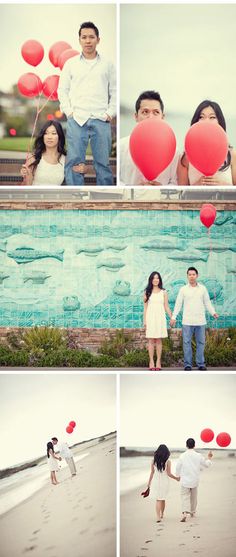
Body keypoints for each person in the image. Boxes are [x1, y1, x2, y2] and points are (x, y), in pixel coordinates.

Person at [58, 21, 116, 186]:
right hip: (77, 118)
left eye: (91, 37)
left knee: (103, 164)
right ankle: (75, 196)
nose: (88, 40)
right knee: (75, 162)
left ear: (98, 39)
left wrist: (109, 114)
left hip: (100, 118)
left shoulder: (108, 64)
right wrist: (69, 112)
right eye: (84, 37)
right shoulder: (71, 64)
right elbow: (62, 90)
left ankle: (105, 198)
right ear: (79, 40)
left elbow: (115, 91)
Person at [120, 90, 179, 185]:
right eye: (145, 112)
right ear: (136, 116)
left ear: (162, 117)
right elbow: (117, 181)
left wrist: (161, 189)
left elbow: (175, 181)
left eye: (156, 112)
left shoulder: (173, 150)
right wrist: (133, 188)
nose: (150, 117)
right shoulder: (121, 146)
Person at [170, 267, 219, 371]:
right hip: (187, 321)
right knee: (186, 342)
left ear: (197, 276)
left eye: (193, 274)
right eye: (189, 274)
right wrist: (173, 317)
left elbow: (207, 303)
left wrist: (213, 312)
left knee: (201, 342)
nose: (191, 276)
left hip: (200, 321)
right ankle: (188, 364)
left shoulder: (203, 289)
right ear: (187, 276)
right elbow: (178, 304)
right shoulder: (183, 289)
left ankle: (201, 363)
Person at [177, 100, 236, 185]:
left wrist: (222, 186)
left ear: (220, 122)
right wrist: (197, 186)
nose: (206, 121)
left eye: (212, 117)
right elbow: (181, 194)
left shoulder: (231, 154)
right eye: (201, 117)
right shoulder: (185, 158)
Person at [176, 438, 213, 522]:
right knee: (194, 497)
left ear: (186, 445)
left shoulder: (182, 455)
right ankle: (192, 512)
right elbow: (206, 465)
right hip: (194, 480)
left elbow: (178, 467)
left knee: (184, 496)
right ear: (194, 445)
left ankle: (185, 513)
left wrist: (177, 476)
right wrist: (209, 458)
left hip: (185, 480)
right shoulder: (198, 455)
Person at [20, 120, 66, 185]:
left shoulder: (65, 159)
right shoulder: (34, 158)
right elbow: (26, 187)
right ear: (43, 136)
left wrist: (85, 169)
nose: (49, 137)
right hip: (35, 194)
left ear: (59, 137)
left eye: (53, 133)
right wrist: (26, 175)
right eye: (46, 133)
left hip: (55, 195)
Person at [144, 271, 172, 370]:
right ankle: (151, 361)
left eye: (157, 278)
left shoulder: (164, 292)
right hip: (150, 318)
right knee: (151, 340)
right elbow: (145, 308)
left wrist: (172, 317)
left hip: (160, 318)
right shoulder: (147, 292)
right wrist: (145, 321)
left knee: (159, 340)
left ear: (159, 280)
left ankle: (158, 361)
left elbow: (167, 307)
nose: (155, 280)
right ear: (151, 280)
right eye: (153, 278)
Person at [144, 444, 180, 522]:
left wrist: (149, 483)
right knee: (162, 499)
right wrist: (176, 478)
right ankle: (162, 514)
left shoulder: (153, 461)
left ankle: (158, 516)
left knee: (158, 499)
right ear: (166, 452)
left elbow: (152, 472)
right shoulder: (168, 461)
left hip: (156, 482)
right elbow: (169, 474)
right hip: (164, 482)